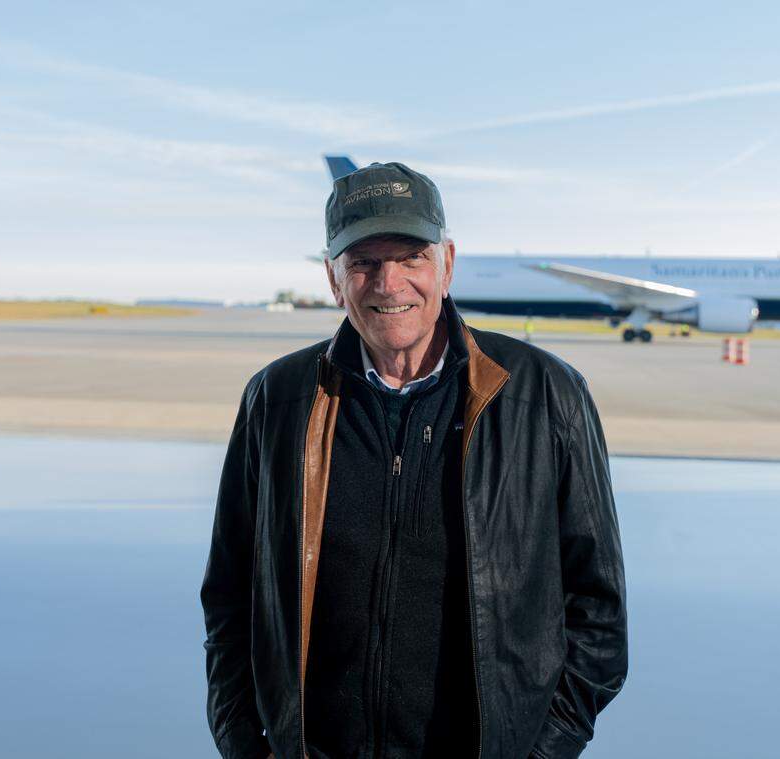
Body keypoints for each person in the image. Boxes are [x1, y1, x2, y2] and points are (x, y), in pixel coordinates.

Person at [201, 162, 628, 759]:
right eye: (364, 263)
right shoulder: (279, 399)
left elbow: (598, 614)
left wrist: (543, 750)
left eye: (410, 259)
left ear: (447, 264)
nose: (388, 283)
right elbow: (228, 594)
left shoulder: (544, 395)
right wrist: (247, 745)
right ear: (334, 279)